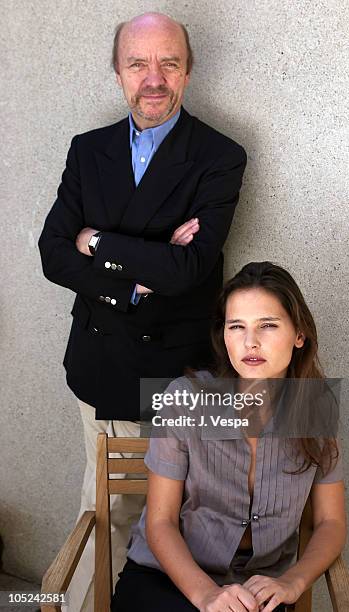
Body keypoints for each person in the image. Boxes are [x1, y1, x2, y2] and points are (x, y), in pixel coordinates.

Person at [38, 12, 247, 611]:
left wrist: (100, 242)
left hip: (176, 376)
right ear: (117, 71)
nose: (153, 79)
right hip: (100, 362)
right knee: (107, 513)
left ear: (188, 70)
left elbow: (190, 270)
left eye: (169, 63)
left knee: (181, 525)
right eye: (137, 63)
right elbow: (54, 253)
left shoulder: (219, 155)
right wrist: (135, 280)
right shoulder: (88, 150)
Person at [112, 261, 346, 612]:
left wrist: (292, 582)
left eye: (267, 325)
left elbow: (331, 522)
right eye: (236, 326)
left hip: (260, 587)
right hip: (169, 577)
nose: (250, 342)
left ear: (299, 334)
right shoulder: (185, 399)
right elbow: (160, 522)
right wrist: (206, 595)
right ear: (224, 335)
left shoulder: (318, 408)